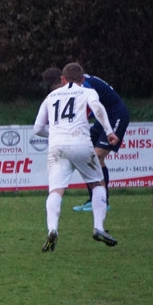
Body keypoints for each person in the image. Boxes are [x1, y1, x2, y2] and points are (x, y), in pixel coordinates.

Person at [33, 62, 119, 251]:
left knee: (55, 191)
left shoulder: (51, 96)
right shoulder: (87, 92)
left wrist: (55, 133)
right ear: (82, 79)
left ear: (63, 79)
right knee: (98, 184)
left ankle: (52, 229)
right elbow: (97, 108)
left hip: (57, 146)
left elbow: (37, 128)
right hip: (81, 143)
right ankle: (98, 227)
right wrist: (109, 131)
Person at [40, 68, 130, 212]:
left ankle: (103, 202)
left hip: (116, 115)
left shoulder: (83, 85)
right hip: (102, 118)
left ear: (62, 79)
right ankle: (93, 200)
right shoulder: (75, 81)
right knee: (88, 155)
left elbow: (92, 107)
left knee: (97, 157)